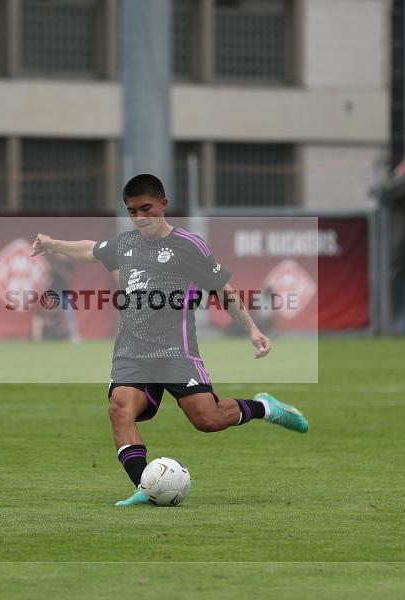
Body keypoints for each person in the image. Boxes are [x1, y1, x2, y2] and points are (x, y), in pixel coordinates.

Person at [31, 173, 308, 507]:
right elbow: (92, 250)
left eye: (146, 208)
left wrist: (252, 329)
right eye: (132, 211)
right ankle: (145, 487)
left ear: (163, 204)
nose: (140, 217)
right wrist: (52, 244)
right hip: (131, 352)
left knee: (208, 419)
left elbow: (223, 288)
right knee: (120, 409)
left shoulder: (188, 246)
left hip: (176, 351)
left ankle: (266, 407)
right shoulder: (125, 244)